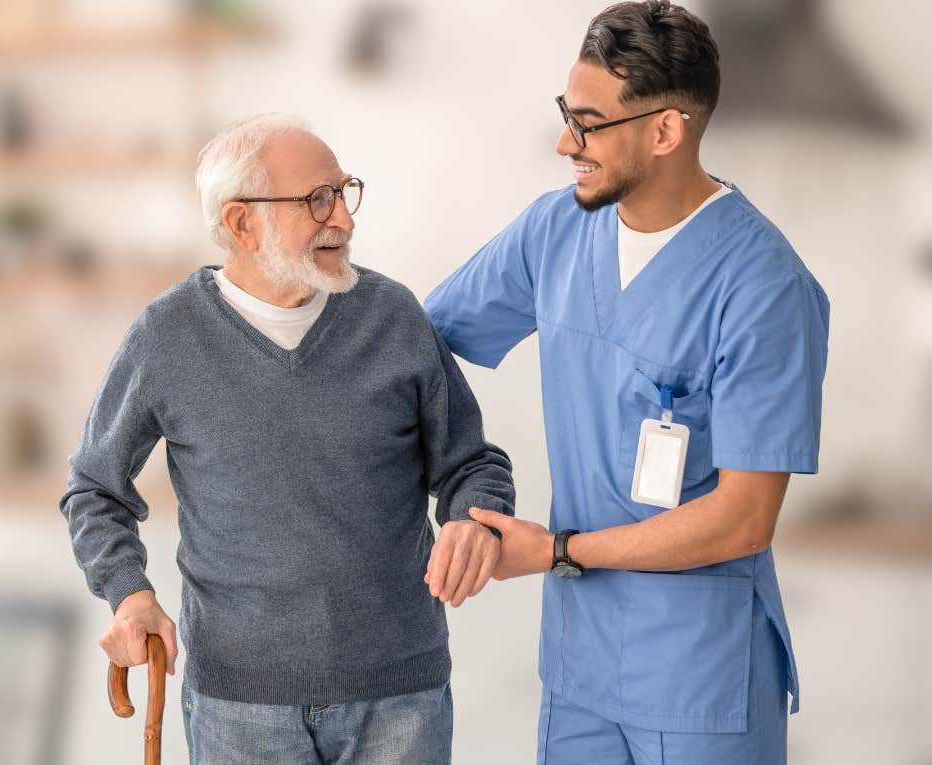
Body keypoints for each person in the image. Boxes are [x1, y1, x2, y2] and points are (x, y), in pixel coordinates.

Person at [424, 2, 829, 763]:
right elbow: (418, 347)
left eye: (587, 123)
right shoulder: (555, 232)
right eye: (565, 115)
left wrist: (557, 551)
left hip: (701, 678)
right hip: (580, 667)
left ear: (666, 131)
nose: (563, 142)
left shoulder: (763, 285)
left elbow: (744, 518)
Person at [60, 113, 516, 765]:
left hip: (400, 698)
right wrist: (130, 592)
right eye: (317, 200)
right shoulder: (167, 336)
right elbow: (94, 487)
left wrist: (477, 520)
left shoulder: (394, 317)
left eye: (344, 192)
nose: (346, 220)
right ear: (243, 222)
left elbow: (473, 463)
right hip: (237, 705)